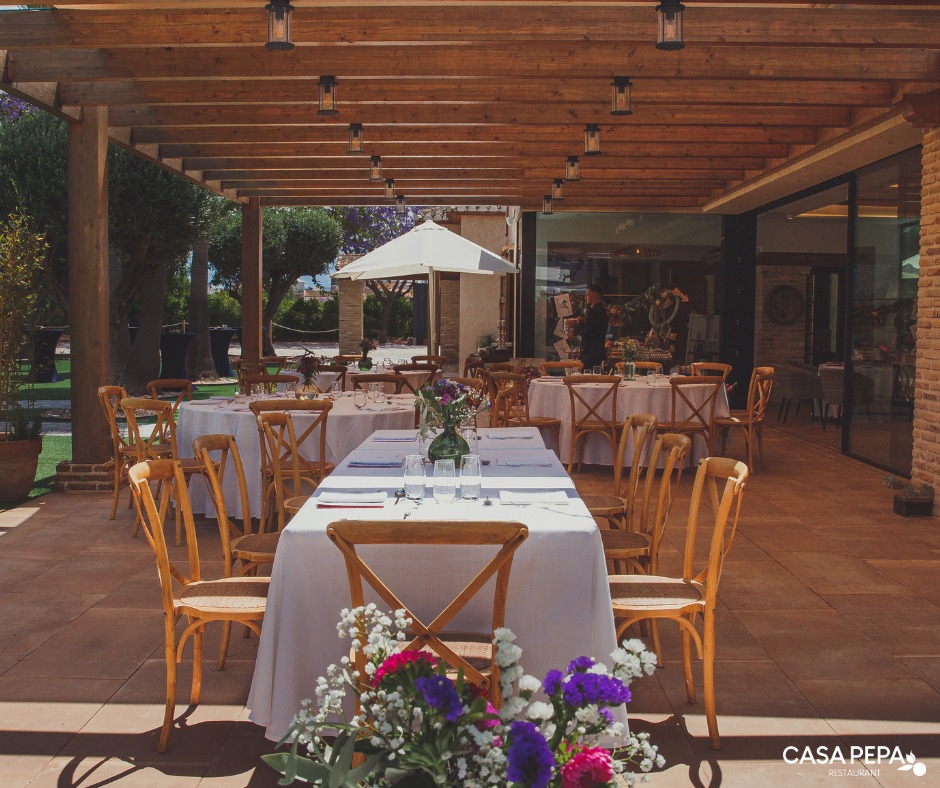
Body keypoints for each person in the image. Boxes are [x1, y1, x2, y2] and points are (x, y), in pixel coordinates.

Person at [572, 283, 609, 370]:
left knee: (589, 376)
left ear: (594, 295)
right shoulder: (602, 310)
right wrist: (581, 323)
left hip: (591, 355)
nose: (586, 297)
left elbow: (587, 333)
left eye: (587, 294)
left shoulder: (595, 311)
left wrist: (575, 326)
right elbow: (592, 329)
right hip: (597, 353)